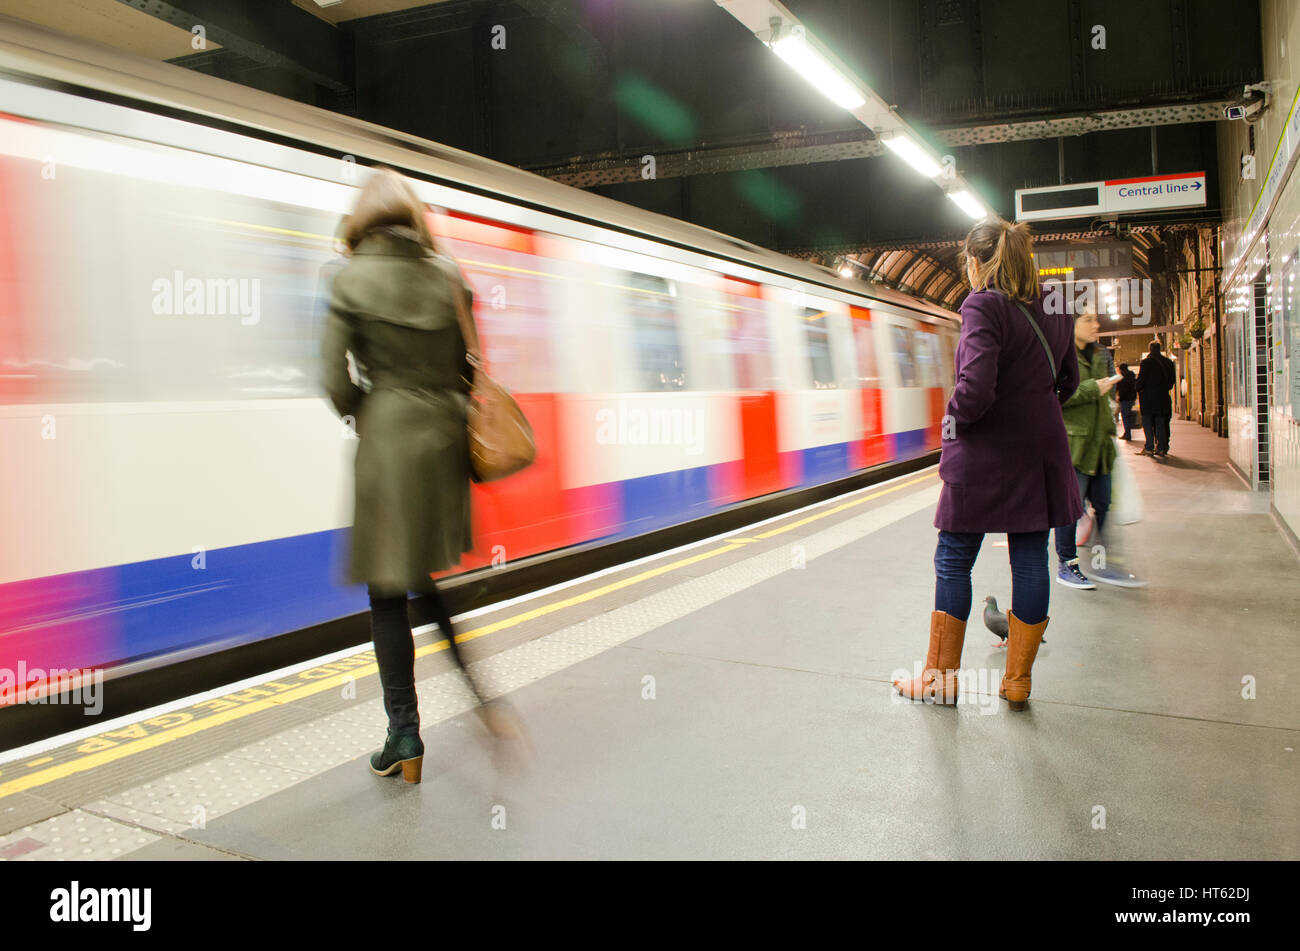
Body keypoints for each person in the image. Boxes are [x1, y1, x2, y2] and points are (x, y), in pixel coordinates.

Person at [322, 167, 515, 784]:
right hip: (442, 446)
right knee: (418, 575)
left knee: (388, 589)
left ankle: (403, 733)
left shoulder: (348, 277)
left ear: (362, 221)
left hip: (386, 446)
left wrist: (369, 411)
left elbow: (330, 376)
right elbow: (467, 365)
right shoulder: (448, 275)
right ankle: (481, 698)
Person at [892, 217, 1082, 711]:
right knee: (1031, 558)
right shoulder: (1056, 305)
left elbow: (974, 391)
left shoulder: (983, 304)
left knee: (954, 558)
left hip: (983, 458)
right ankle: (1017, 683)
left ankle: (940, 680)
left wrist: (951, 421)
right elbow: (1070, 381)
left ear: (976, 262)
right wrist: (1033, 411)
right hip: (1040, 452)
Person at [1052, 312, 1144, 588]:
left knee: (1104, 506)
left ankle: (1103, 565)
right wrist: (1093, 388)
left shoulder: (1101, 354)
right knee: (1070, 510)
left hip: (1102, 444)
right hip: (1075, 446)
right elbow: (1055, 396)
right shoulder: (1059, 355)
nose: (1096, 325)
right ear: (1071, 324)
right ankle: (1067, 565)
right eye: (1088, 320)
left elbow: (1108, 396)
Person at [1136, 340, 1176, 458]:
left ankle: (1149, 447)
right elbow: (1171, 382)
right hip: (1162, 398)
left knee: (1147, 423)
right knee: (1161, 423)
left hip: (1148, 399)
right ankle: (1161, 448)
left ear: (1150, 349)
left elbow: (1140, 381)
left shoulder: (1146, 362)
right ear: (1160, 349)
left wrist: (1138, 388)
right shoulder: (1168, 362)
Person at [1116, 362, 1137, 440]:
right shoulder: (1132, 376)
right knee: (1128, 417)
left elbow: (1122, 390)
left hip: (1125, 400)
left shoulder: (1123, 378)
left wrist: (1119, 397)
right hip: (1131, 399)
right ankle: (1127, 433)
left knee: (1125, 417)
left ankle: (1127, 434)